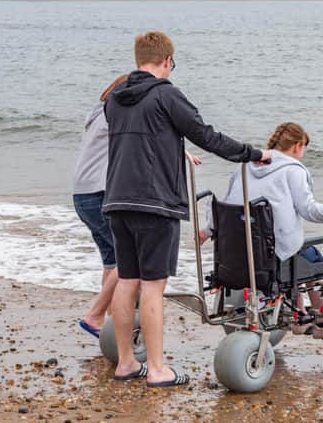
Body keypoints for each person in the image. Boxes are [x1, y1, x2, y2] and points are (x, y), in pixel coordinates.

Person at [103, 31, 271, 387]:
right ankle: (158, 369)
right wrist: (253, 154)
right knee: (152, 286)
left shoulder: (114, 99)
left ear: (138, 59)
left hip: (117, 199)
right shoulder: (167, 95)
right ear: (167, 61)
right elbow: (206, 135)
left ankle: (126, 363)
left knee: (127, 281)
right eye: (171, 63)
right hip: (155, 203)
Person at [199, 122, 323, 339]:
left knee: (294, 254)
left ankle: (297, 312)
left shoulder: (244, 166)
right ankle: (320, 320)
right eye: (303, 150)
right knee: (311, 257)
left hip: (235, 253)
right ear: (298, 145)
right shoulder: (293, 170)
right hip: (269, 257)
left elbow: (229, 206)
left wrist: (207, 231)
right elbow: (310, 210)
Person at [72, 74, 128, 339]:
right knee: (130, 258)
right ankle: (95, 315)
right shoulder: (114, 117)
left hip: (82, 195)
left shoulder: (96, 114)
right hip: (99, 194)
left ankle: (108, 322)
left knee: (111, 260)